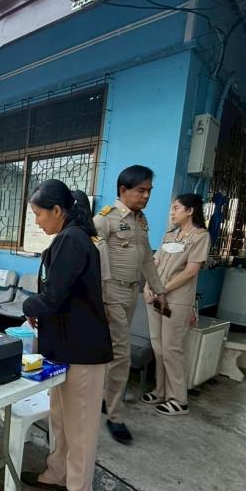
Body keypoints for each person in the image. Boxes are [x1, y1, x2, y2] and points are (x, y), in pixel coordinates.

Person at [20, 179, 112, 491]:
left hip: (83, 351)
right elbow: (60, 295)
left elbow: (54, 296)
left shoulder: (73, 240)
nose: (37, 221)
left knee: (80, 429)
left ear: (57, 210)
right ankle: (56, 473)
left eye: (39, 214)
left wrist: (29, 306)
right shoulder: (68, 238)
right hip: (64, 347)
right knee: (60, 418)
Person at [93, 165, 167, 445]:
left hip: (131, 293)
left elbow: (147, 258)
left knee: (113, 354)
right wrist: (101, 299)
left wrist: (158, 290)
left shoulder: (141, 220)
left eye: (149, 191)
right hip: (111, 293)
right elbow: (96, 264)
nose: (146, 196)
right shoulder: (105, 219)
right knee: (122, 355)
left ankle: (104, 398)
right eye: (141, 190)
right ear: (123, 190)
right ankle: (115, 416)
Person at [143, 194, 210, 416]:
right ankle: (160, 391)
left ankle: (179, 399)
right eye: (172, 208)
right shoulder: (170, 234)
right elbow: (155, 261)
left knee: (172, 349)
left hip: (176, 299)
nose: (172, 212)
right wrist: (148, 284)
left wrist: (162, 289)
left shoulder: (200, 236)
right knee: (158, 347)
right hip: (156, 295)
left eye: (177, 208)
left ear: (190, 211)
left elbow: (191, 271)